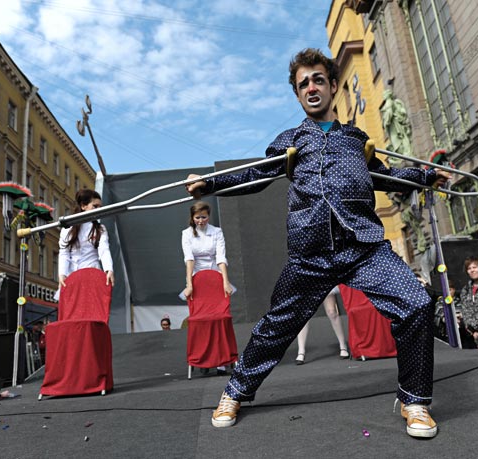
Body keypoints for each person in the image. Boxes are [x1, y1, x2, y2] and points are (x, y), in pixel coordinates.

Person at [186, 48, 450, 438]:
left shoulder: (357, 140)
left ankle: (414, 401)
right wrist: (210, 185)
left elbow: (388, 177)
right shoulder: (291, 140)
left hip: (363, 246)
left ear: (332, 86)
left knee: (416, 304)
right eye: (302, 83)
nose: (311, 87)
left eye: (318, 80)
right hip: (310, 252)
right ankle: (236, 391)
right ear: (297, 95)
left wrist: (426, 176)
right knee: (275, 327)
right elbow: (257, 175)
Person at [181, 201, 234, 376]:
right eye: (198, 217)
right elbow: (189, 259)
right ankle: (204, 358)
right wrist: (189, 284)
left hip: (215, 276)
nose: (201, 220)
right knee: (202, 320)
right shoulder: (187, 234)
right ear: (192, 218)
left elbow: (221, 257)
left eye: (204, 217)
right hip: (197, 278)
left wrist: (225, 281)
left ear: (208, 216)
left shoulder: (216, 232)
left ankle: (221, 359)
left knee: (219, 318)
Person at [58, 189, 115, 294]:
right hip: (72, 276)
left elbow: (104, 249)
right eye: (95, 206)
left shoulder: (100, 229)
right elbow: (64, 252)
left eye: (100, 207)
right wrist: (62, 274)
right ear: (83, 206)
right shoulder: (68, 227)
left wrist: (108, 269)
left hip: (92, 273)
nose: (98, 210)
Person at [294, 287, 349, 365]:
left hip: (323, 278)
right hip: (307, 279)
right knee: (304, 314)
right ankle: (301, 351)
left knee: (332, 312)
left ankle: (343, 345)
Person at [459, 257, 478, 342]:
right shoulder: (465, 290)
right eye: (469, 268)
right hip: (470, 333)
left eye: (475, 267)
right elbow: (465, 310)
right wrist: (472, 330)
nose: (472, 270)